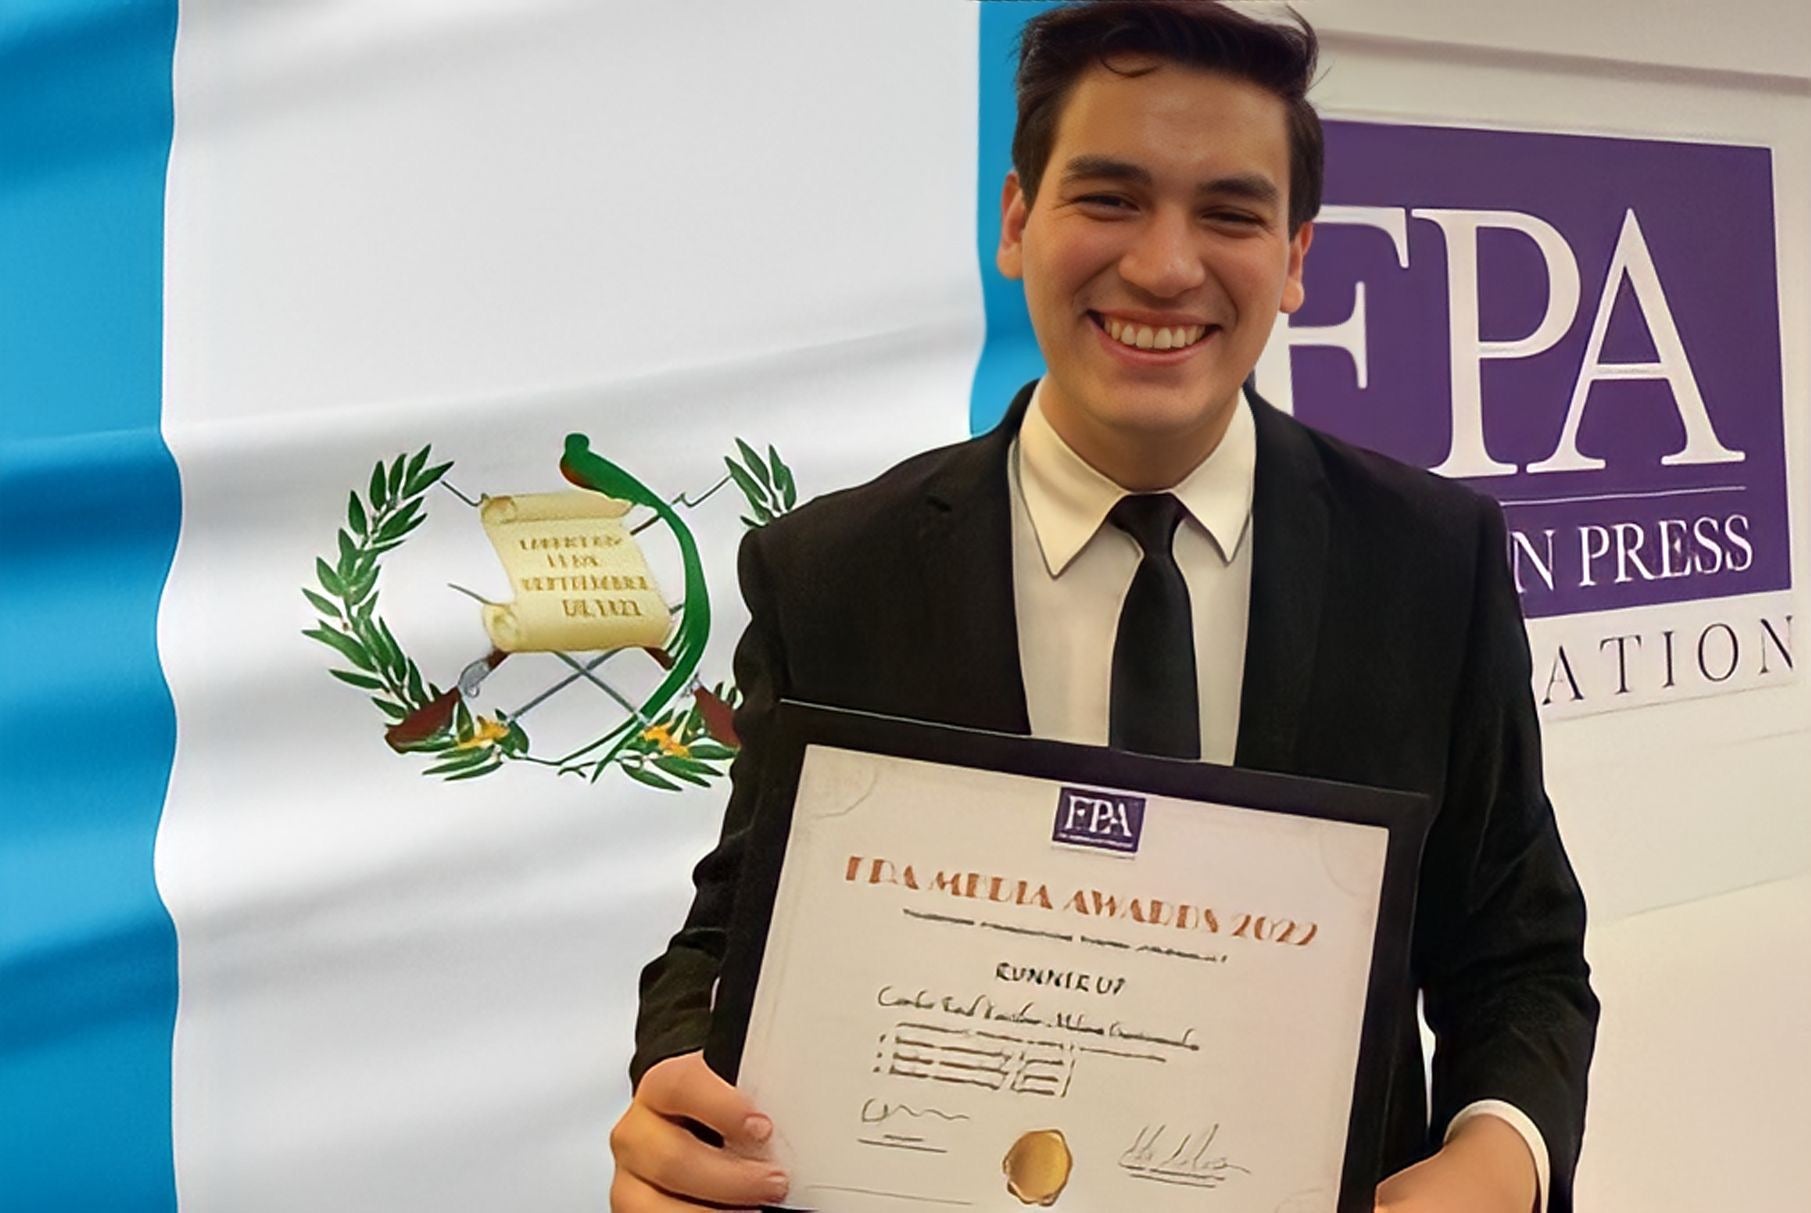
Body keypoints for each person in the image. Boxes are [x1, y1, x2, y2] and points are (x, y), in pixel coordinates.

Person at [608, 3, 1598, 1211]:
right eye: (1110, 197)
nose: (1165, 265)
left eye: (1229, 212)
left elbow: (1518, 954)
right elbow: (736, 926)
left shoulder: (1430, 561)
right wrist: (679, 1089)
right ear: (1017, 220)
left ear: (1292, 259)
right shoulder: (835, 570)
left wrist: (1497, 1159)